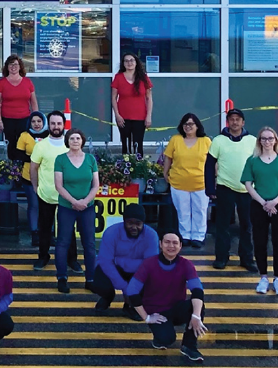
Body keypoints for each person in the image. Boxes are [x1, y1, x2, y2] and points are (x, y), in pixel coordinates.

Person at [125, 232, 208, 361]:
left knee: (198, 306)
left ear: (180, 246)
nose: (171, 246)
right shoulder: (149, 264)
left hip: (176, 307)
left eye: (175, 243)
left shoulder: (186, 264)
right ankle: (158, 339)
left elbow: (197, 290)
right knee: (166, 339)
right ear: (160, 244)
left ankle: (189, 346)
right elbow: (131, 291)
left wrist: (196, 316)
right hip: (156, 312)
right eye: (167, 242)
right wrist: (146, 317)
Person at [30, 111, 80, 272]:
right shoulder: (41, 145)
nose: (56, 127)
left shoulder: (70, 144)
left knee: (69, 229)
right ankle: (43, 257)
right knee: (44, 228)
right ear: (48, 125)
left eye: (59, 123)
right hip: (46, 195)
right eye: (53, 123)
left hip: (67, 197)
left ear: (63, 124)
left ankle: (72, 259)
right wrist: (36, 188)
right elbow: (33, 169)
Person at [208, 108, 257, 272]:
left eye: (238, 119)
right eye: (232, 119)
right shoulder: (219, 140)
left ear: (243, 122)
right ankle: (221, 258)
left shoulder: (252, 141)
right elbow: (209, 165)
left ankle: (247, 259)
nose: (235, 122)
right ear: (227, 122)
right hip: (225, 187)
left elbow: (260, 164)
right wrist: (210, 187)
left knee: (247, 226)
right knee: (222, 226)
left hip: (247, 189)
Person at [54, 127, 99, 294]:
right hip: (67, 207)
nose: (75, 141)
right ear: (67, 141)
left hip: (87, 207)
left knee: (89, 243)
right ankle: (62, 278)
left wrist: (85, 202)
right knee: (63, 242)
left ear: (82, 141)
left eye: (78, 138)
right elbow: (59, 185)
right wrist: (74, 202)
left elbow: (95, 185)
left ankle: (91, 279)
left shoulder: (90, 159)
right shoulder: (60, 159)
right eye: (72, 138)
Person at [91, 203, 159, 311]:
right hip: (115, 268)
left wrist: (132, 289)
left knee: (153, 279)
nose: (134, 227)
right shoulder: (111, 232)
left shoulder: (152, 235)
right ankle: (107, 297)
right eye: (130, 223)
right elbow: (105, 261)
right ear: (124, 221)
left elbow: (149, 264)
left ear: (143, 223)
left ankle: (133, 305)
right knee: (99, 282)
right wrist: (125, 287)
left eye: (138, 223)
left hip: (138, 271)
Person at [242, 126, 278, 295]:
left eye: (270, 138)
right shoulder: (252, 160)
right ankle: (263, 277)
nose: (267, 141)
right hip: (259, 205)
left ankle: (277, 278)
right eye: (264, 138)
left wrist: (274, 201)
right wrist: (264, 203)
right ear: (259, 141)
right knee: (259, 242)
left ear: (275, 140)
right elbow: (247, 184)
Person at [162, 113, 212, 247]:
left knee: (200, 211)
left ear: (197, 126)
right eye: (185, 124)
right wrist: (165, 173)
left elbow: (213, 161)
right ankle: (184, 236)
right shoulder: (175, 139)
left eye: (191, 124)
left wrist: (214, 176)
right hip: (179, 182)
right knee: (182, 211)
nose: (188, 127)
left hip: (201, 183)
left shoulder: (205, 141)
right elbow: (168, 157)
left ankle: (198, 236)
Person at [0, 56, 38, 162]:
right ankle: (13, 169)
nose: (13, 67)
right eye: (10, 64)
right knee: (11, 144)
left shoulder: (28, 82)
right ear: (7, 67)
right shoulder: (2, 82)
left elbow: (33, 102)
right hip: (8, 119)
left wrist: (36, 118)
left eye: (15, 64)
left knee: (24, 143)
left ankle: (23, 167)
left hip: (25, 119)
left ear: (20, 67)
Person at [16, 111, 48, 245]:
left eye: (39, 121)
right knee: (34, 205)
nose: (36, 124)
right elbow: (19, 154)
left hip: (47, 177)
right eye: (34, 121)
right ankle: (34, 233)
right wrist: (35, 159)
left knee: (47, 206)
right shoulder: (24, 136)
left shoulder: (50, 136)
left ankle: (47, 233)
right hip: (29, 176)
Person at [112, 53, 153, 156]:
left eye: (131, 60)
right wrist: (117, 115)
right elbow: (113, 98)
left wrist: (148, 116)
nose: (129, 63)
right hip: (123, 117)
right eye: (126, 61)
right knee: (125, 145)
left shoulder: (143, 77)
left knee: (138, 144)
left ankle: (138, 167)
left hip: (140, 116)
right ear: (123, 63)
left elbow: (149, 98)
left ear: (136, 62)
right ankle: (126, 168)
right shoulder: (118, 77)